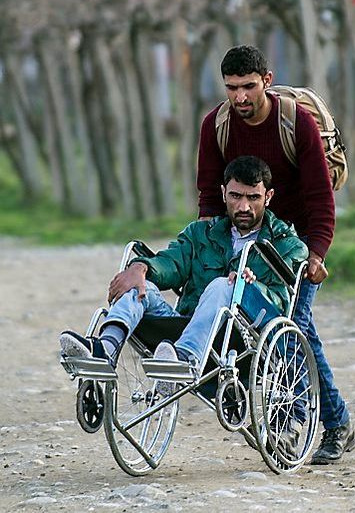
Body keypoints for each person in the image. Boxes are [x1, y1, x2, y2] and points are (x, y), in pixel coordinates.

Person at [195, 45, 354, 464]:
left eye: (248, 87)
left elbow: (321, 199)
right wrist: (213, 249)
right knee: (260, 330)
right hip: (246, 242)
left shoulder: (295, 123)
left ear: (267, 80)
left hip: (295, 245)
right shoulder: (216, 126)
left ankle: (296, 426)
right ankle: (337, 421)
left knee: (291, 326)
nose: (240, 98)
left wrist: (316, 254)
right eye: (232, 89)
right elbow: (211, 198)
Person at [59, 156, 308, 391]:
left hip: (243, 339)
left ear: (268, 196)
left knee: (225, 285)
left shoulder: (288, 245)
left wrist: (249, 288)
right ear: (223, 193)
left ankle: (185, 358)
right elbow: (172, 263)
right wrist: (141, 268)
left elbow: (280, 300)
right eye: (235, 196)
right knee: (141, 285)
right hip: (188, 326)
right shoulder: (201, 233)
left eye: (253, 197)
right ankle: (105, 350)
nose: (243, 206)